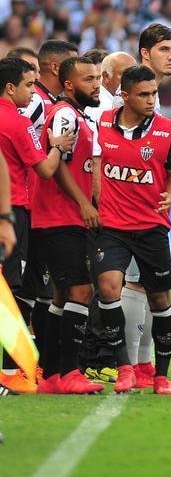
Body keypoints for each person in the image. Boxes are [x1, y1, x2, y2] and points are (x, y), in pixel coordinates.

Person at [92, 65, 171, 395]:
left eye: (153, 93)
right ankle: (124, 367)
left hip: (150, 227)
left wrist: (170, 195)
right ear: (125, 95)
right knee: (108, 286)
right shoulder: (101, 124)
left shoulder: (168, 130)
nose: (150, 99)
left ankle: (161, 375)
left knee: (159, 298)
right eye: (143, 94)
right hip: (113, 225)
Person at [29, 56, 105, 394]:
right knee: (81, 291)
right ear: (70, 84)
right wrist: (84, 203)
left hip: (62, 216)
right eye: (89, 79)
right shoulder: (64, 115)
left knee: (61, 295)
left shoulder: (77, 116)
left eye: (99, 77)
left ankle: (52, 375)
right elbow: (58, 166)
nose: (97, 84)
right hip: (62, 217)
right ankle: (70, 372)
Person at [0, 56, 76, 393]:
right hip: (14, 210)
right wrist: (58, 147)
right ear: (10, 87)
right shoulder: (17, 123)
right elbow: (45, 169)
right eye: (29, 85)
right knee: (15, 292)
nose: (34, 93)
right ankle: (10, 370)